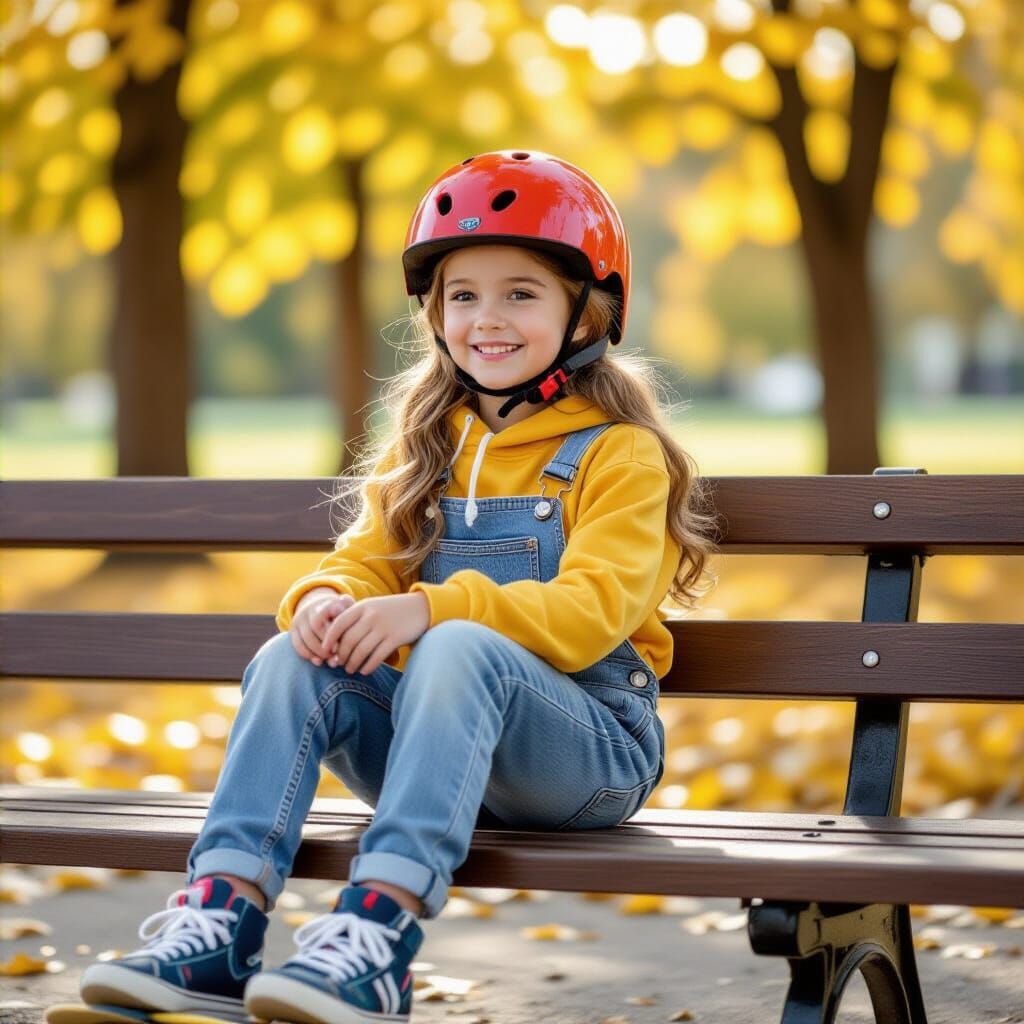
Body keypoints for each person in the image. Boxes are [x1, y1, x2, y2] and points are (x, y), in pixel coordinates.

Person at [79, 149, 718, 1024]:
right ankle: (219, 925)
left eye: (520, 293)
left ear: (587, 312)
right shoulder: (428, 446)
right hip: (438, 751)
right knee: (290, 658)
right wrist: (322, 601)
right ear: (434, 313)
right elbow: (362, 559)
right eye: (463, 295)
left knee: (457, 644)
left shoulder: (619, 455)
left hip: (585, 758)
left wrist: (428, 607)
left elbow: (587, 616)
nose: (486, 318)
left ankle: (378, 940)